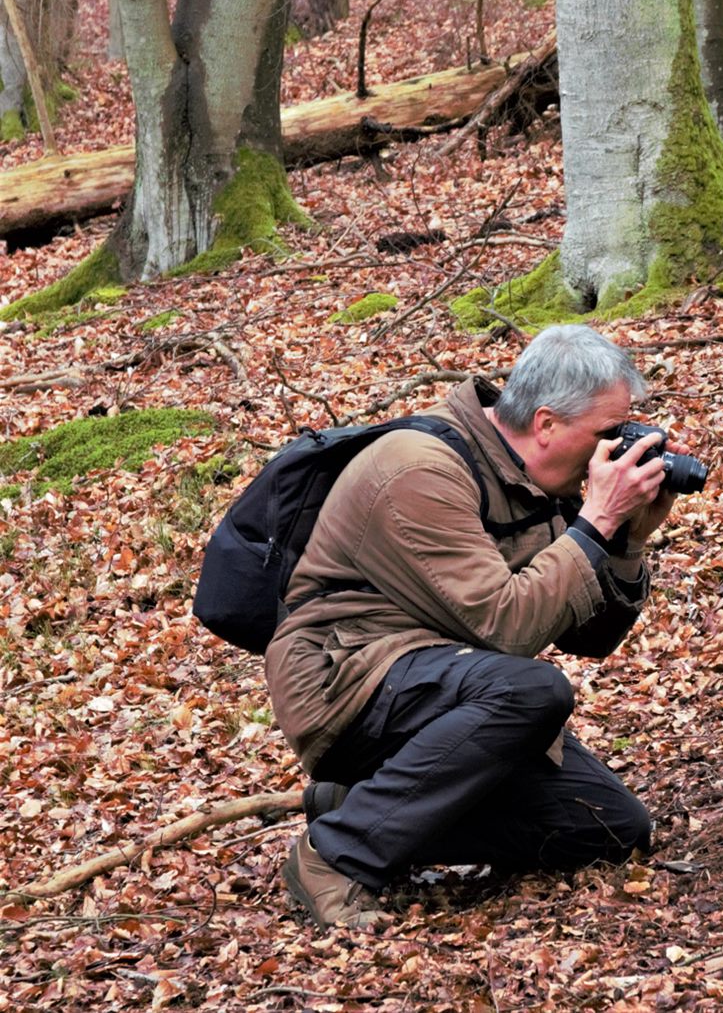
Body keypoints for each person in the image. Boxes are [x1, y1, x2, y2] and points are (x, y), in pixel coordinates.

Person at [265, 325, 678, 928]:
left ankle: (362, 804)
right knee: (533, 690)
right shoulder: (420, 469)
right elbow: (508, 630)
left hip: (441, 679)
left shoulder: (540, 478)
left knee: (610, 825)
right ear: (546, 424)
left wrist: (626, 537)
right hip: (344, 674)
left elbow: (591, 640)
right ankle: (336, 856)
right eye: (606, 434)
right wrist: (594, 522)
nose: (610, 453)